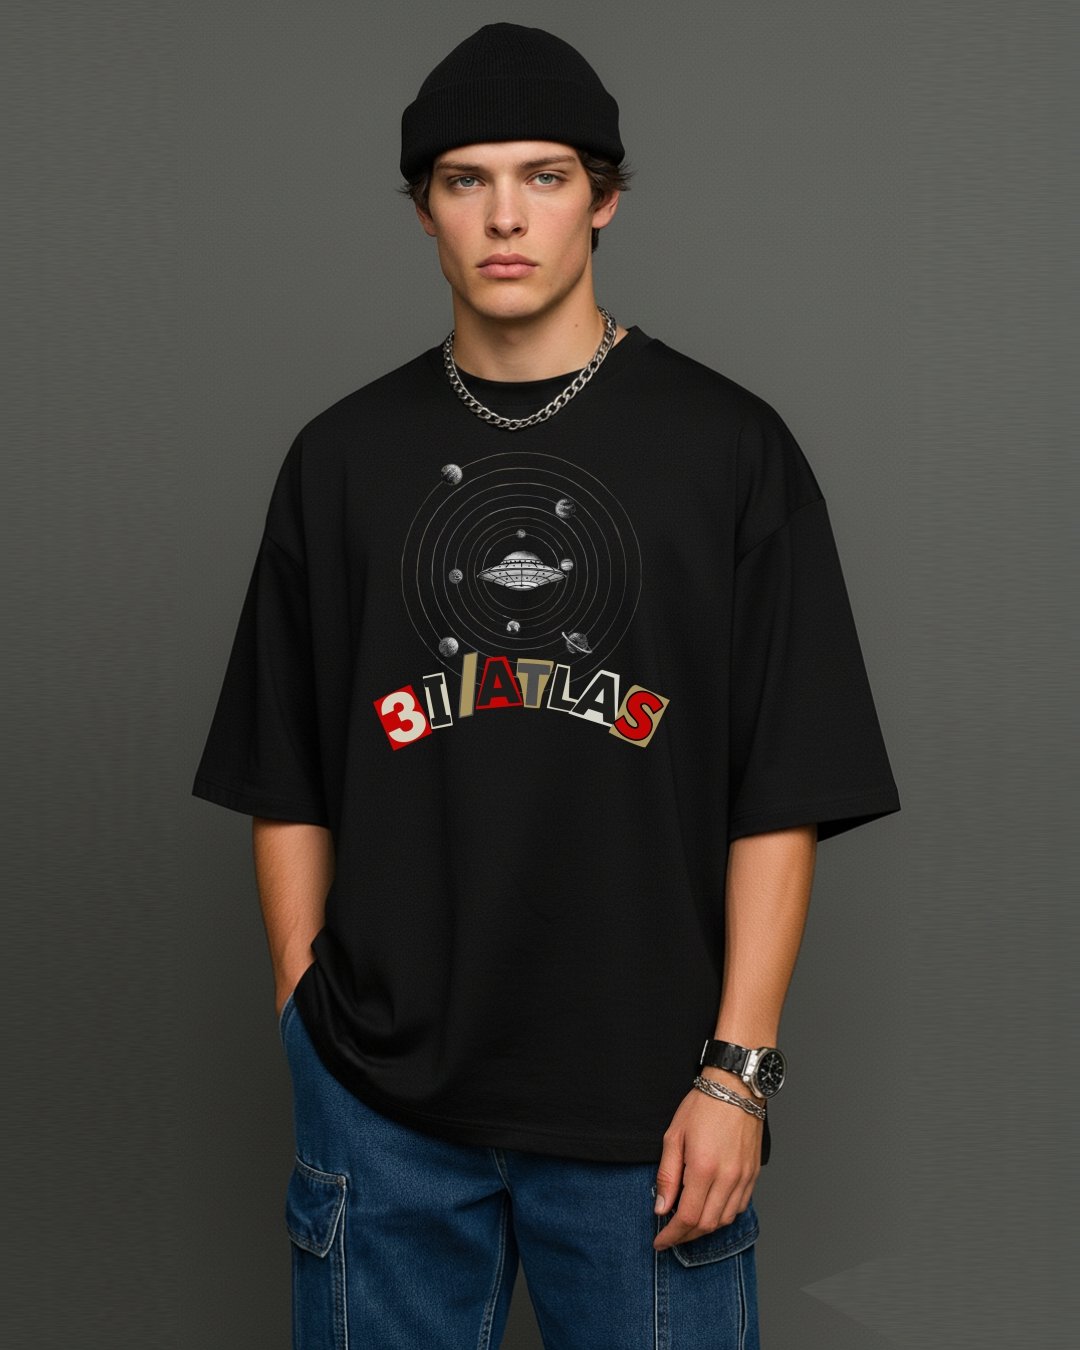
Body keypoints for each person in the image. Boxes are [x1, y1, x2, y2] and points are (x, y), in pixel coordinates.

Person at [191, 22, 901, 1350]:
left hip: (654, 1105)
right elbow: (283, 766)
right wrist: (302, 1005)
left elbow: (784, 787)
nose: (505, 216)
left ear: (605, 198)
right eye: (465, 180)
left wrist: (738, 1074)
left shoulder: (730, 449)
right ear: (423, 209)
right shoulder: (341, 459)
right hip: (381, 1102)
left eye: (545, 176)